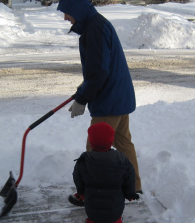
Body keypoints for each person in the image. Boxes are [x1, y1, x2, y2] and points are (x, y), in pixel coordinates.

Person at [57, 0, 142, 193]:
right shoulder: (97, 24)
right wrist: (84, 89)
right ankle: (133, 188)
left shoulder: (95, 29)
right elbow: (99, 70)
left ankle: (89, 193)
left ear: (76, 8)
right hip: (118, 95)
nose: (65, 17)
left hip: (109, 100)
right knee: (123, 143)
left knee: (95, 151)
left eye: (66, 11)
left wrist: (82, 98)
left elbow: (98, 73)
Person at [70, 122, 139, 223]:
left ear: (91, 141)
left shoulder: (85, 160)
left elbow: (78, 178)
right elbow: (129, 179)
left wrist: (80, 192)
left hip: (92, 207)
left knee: (94, 218)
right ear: (111, 140)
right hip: (115, 206)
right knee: (114, 218)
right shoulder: (121, 160)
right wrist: (130, 194)